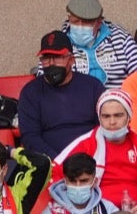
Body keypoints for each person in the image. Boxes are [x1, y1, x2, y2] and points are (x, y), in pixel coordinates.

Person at [17, 30, 105, 158]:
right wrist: (59, 161)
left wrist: (88, 160)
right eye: (46, 58)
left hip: (91, 160)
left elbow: (104, 128)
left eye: (58, 57)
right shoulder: (30, 92)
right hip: (51, 164)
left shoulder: (93, 87)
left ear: (72, 60)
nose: (51, 63)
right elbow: (30, 137)